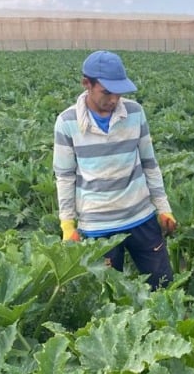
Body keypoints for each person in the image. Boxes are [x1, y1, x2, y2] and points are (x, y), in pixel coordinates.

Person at [53, 50, 176, 290]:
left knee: (164, 288)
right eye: (106, 92)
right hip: (98, 226)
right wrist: (67, 224)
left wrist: (163, 208)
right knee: (108, 297)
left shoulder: (135, 113)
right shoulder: (66, 122)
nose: (113, 99)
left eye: (118, 92)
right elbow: (65, 177)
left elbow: (150, 164)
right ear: (86, 84)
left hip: (142, 217)